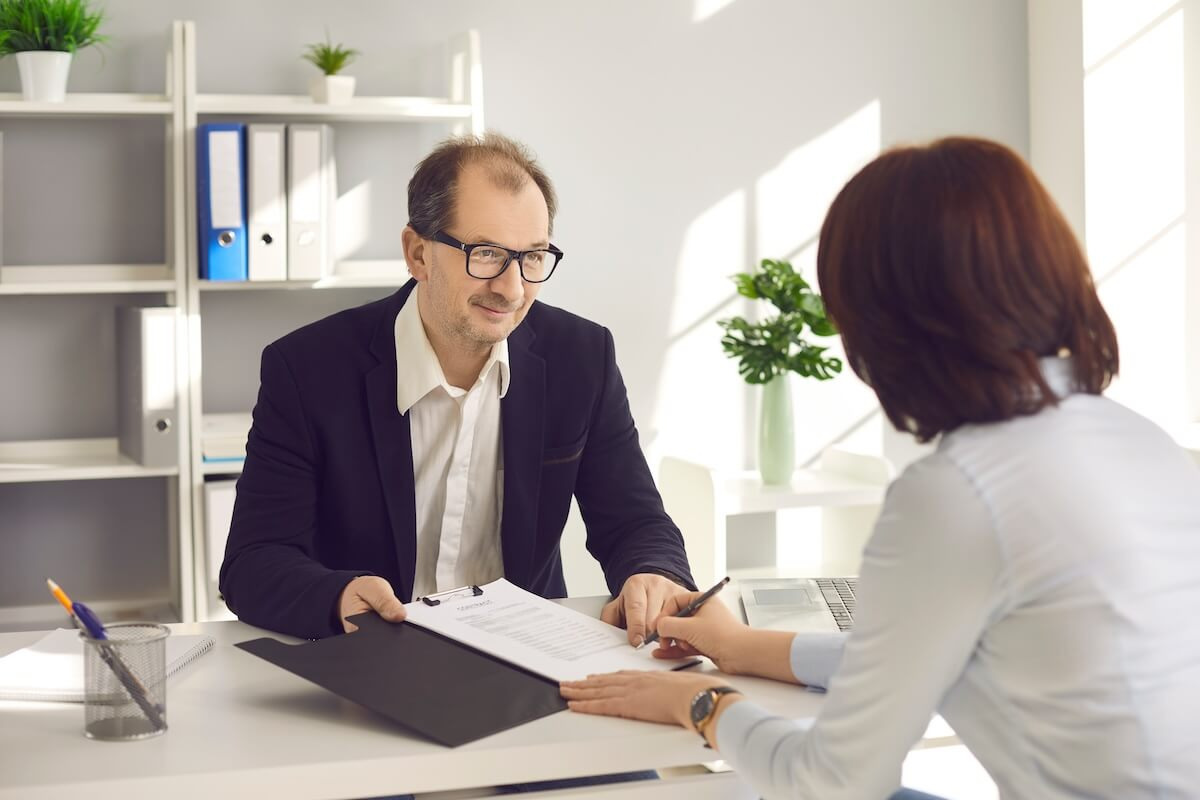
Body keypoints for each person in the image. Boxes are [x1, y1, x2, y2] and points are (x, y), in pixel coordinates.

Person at [561, 137, 1200, 799]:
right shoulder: (1142, 443)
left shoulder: (958, 493)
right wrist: (744, 647)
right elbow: (915, 660)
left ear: (888, 321)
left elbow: (832, 783)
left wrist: (699, 703)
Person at [220, 133, 695, 641]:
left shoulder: (581, 357)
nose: (511, 289)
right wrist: (337, 597)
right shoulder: (308, 368)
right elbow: (253, 562)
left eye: (533, 257)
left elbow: (635, 520)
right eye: (486, 253)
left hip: (524, 653)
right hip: (371, 653)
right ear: (418, 253)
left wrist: (653, 573)